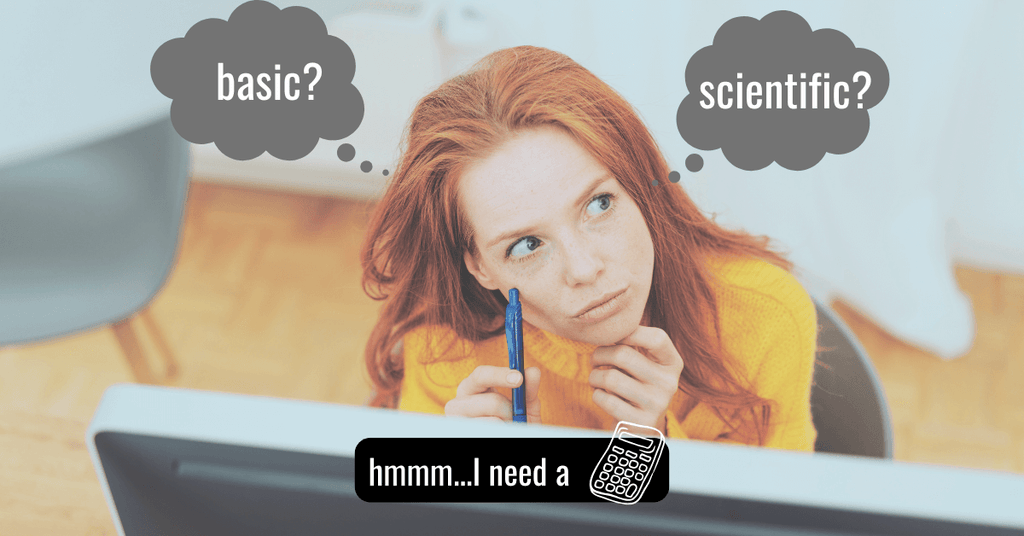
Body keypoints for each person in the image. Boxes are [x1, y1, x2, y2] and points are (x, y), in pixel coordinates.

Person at [361, 46, 818, 450]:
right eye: (526, 245)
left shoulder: (763, 317)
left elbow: (777, 518)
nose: (583, 269)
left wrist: (645, 448)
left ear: (641, 183)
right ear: (480, 267)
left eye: (599, 204)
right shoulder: (447, 347)